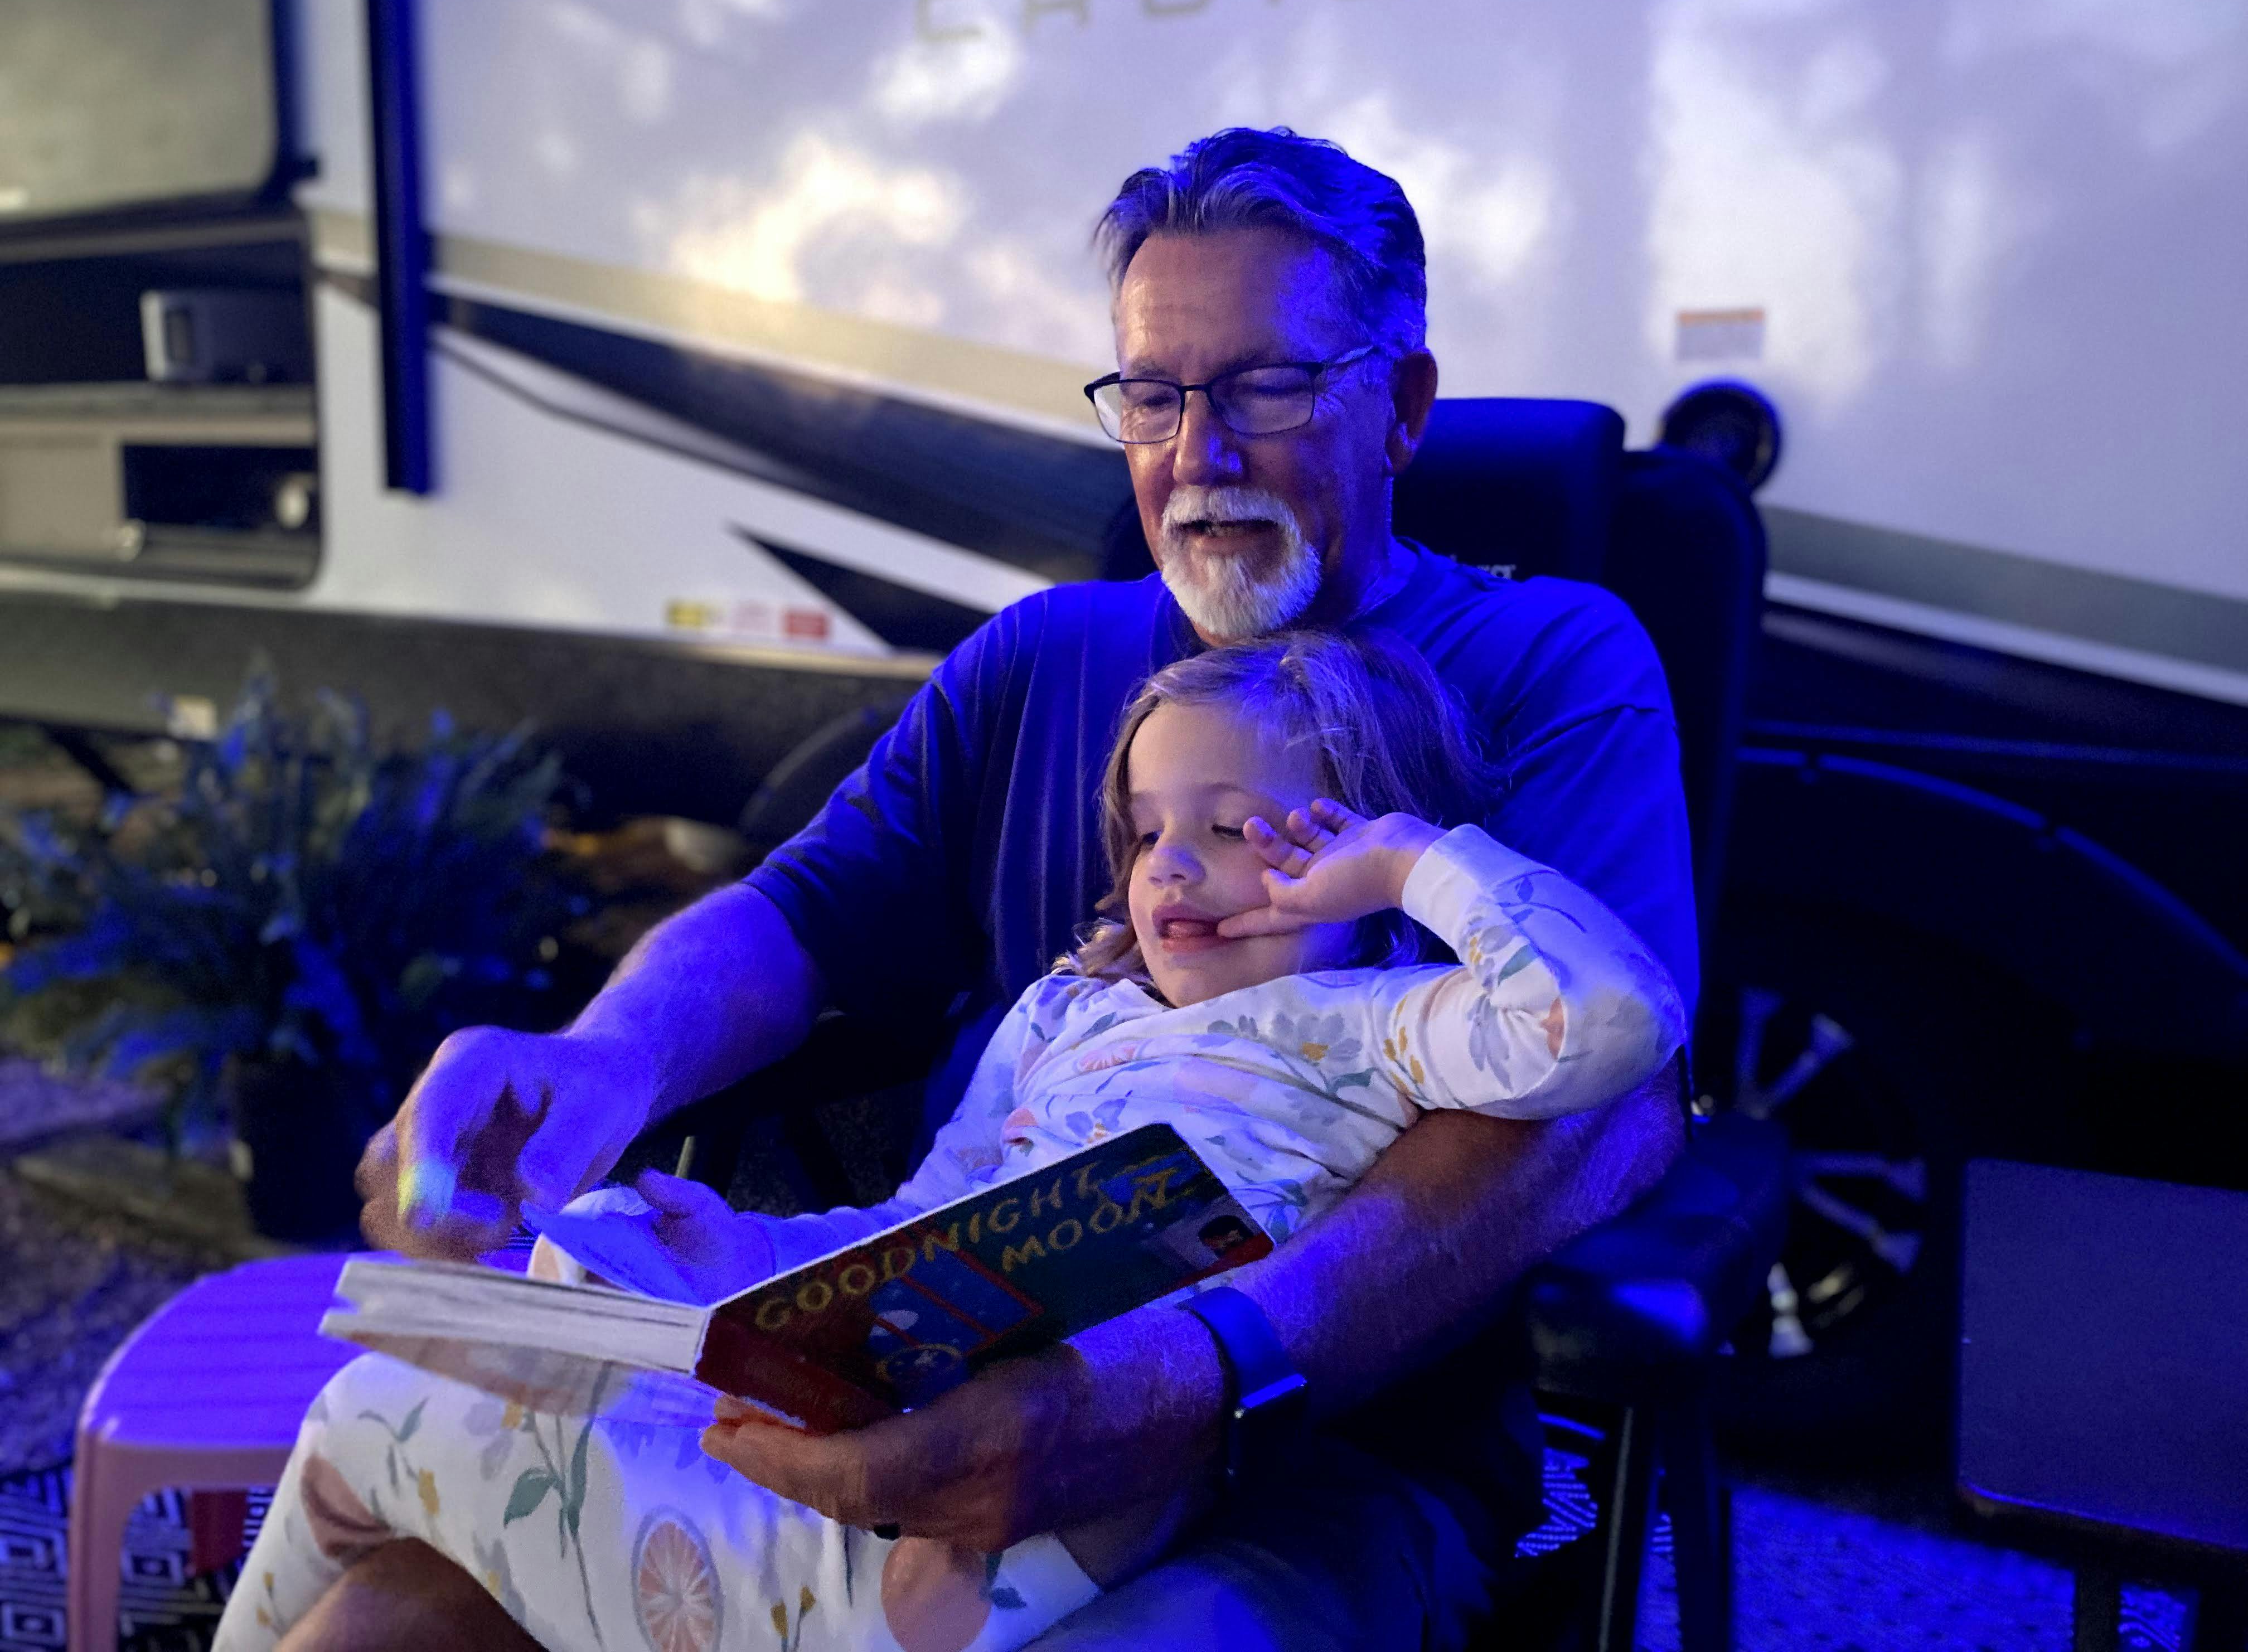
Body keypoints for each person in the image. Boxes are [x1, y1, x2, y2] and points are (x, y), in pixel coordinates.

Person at [314, 125, 1698, 1651]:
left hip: (1345, 1457)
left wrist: (1199, 1376)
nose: (1202, 451)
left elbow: (1605, 1111)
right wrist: (606, 1059)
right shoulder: (1041, 657)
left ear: (1405, 408)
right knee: (383, 1614)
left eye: (1269, 386)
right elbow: (796, 916)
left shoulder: (1555, 664)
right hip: (918, 1376)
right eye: (1156, 396)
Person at [219, 631, 1684, 1652]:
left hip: (1042, 1524)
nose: (1174, 867)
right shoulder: (1069, 1017)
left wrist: (1416, 866)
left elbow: (1619, 1032)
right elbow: (931, 1212)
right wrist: (752, 1253)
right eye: (1146, 829)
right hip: (871, 1466)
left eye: (1240, 830)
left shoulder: (1378, 1019)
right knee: (461, 1353)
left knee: (364, 1420)